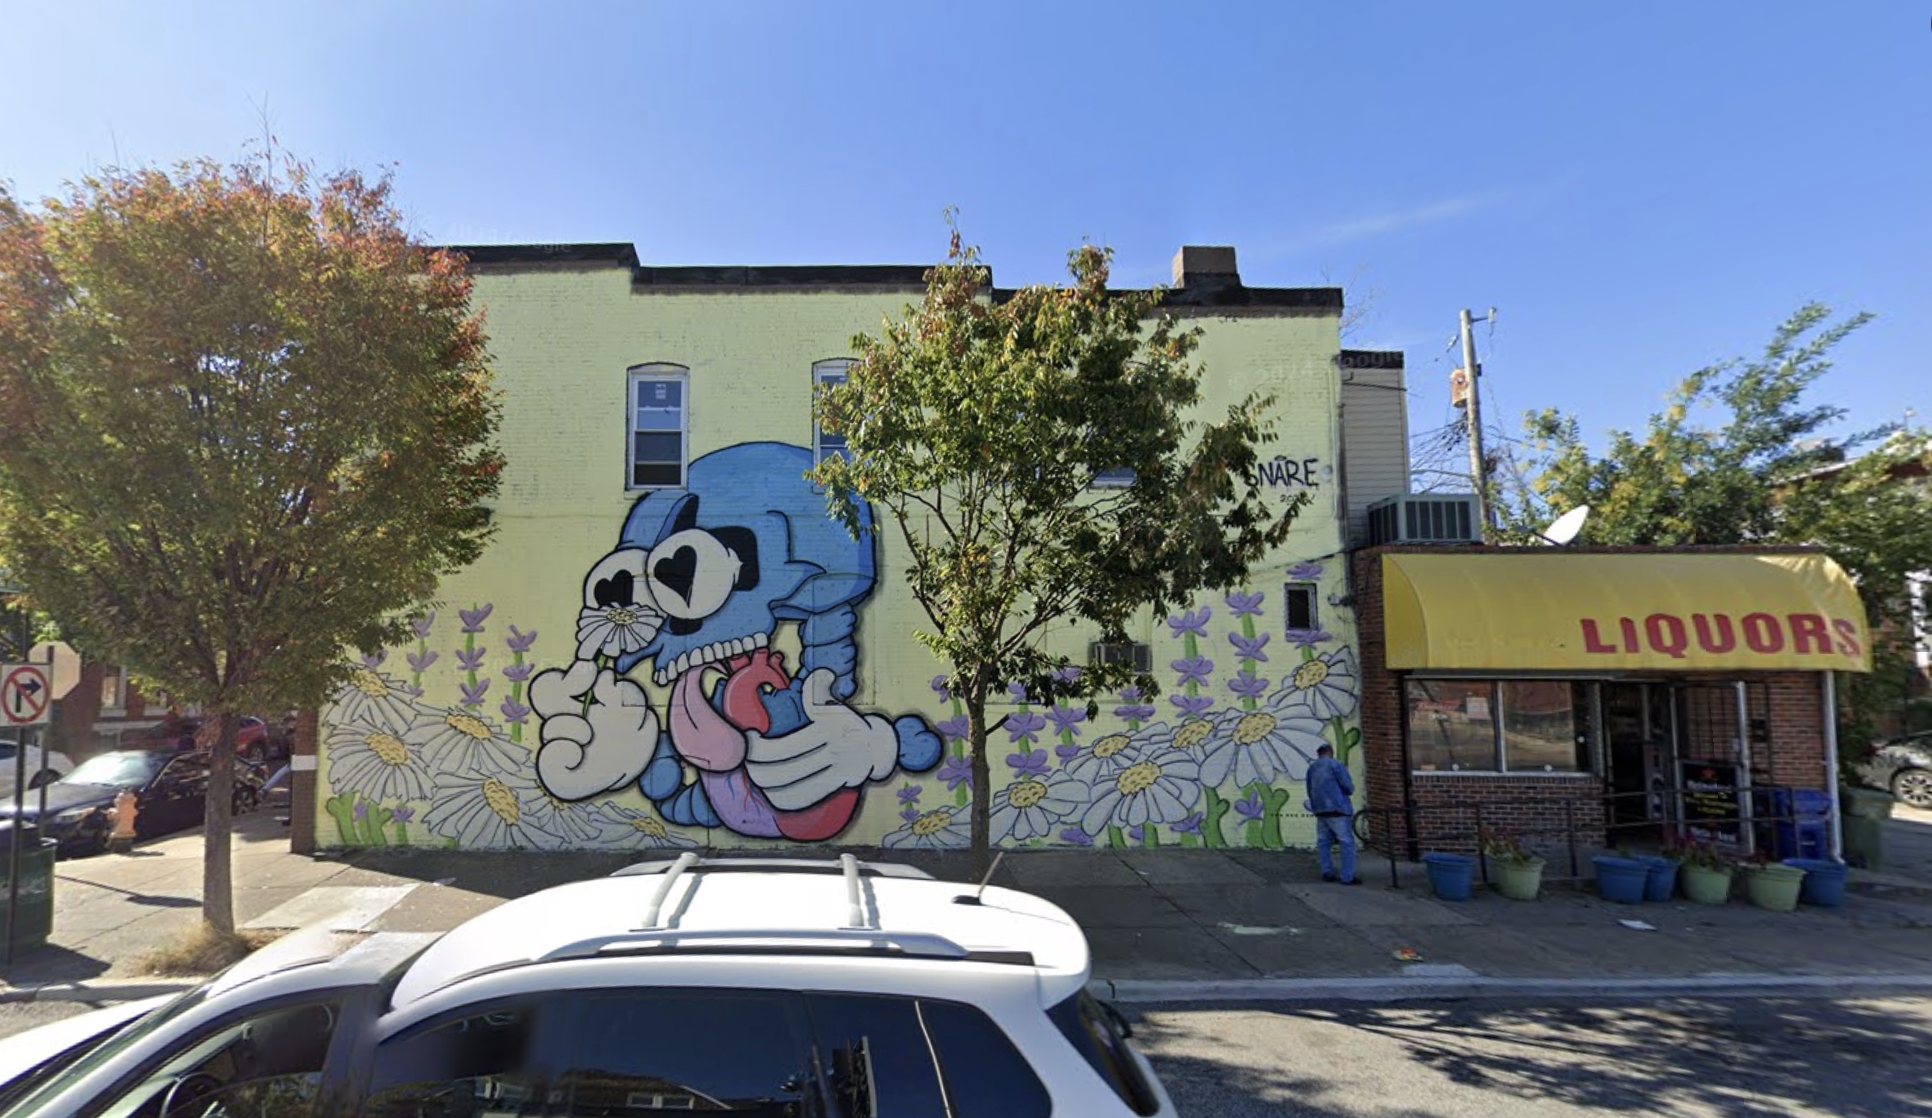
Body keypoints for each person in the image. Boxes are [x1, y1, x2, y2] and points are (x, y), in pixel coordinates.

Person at [1305, 743, 1359, 885]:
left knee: (1323, 842)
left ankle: (1327, 872)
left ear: (1318, 754)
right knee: (1346, 842)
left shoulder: (1312, 768)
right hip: (1338, 809)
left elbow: (1309, 789)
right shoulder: (1336, 765)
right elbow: (1348, 787)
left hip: (1320, 810)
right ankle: (1347, 876)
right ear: (1330, 752)